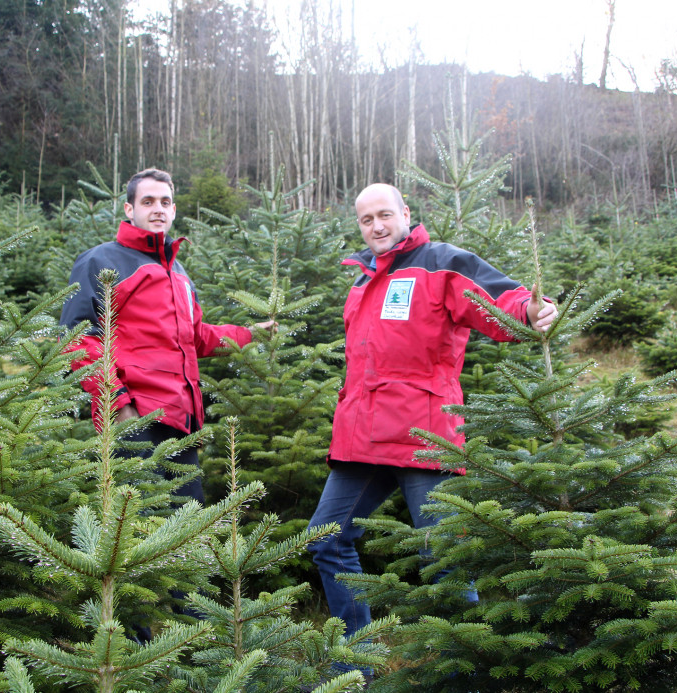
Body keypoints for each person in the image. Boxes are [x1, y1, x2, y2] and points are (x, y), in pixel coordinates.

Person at [306, 183, 557, 678]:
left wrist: (530, 309)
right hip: (361, 437)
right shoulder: (362, 279)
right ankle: (355, 665)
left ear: (405, 213)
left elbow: (499, 299)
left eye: (384, 215)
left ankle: (464, 673)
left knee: (444, 557)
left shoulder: (439, 263)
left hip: (424, 434)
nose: (376, 227)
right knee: (324, 538)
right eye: (365, 220)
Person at [60, 168, 272, 504]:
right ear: (130, 210)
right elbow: (78, 337)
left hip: (182, 422)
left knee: (188, 528)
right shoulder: (101, 260)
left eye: (165, 202)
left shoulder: (179, 274)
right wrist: (118, 405)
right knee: (140, 530)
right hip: (135, 418)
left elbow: (196, 337)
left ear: (173, 210)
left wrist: (249, 336)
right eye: (148, 201)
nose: (158, 208)